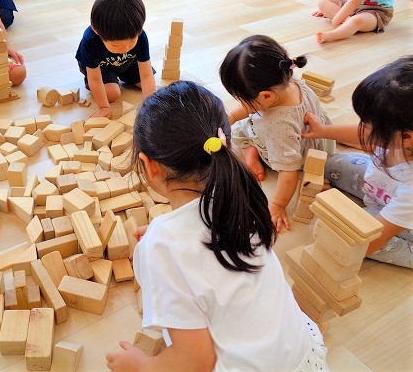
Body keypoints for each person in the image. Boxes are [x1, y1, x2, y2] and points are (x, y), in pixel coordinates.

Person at [105, 81, 329, 372]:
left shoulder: (161, 247)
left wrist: (141, 365)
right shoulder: (242, 194)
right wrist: (166, 238)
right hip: (301, 356)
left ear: (150, 166)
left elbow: (195, 362)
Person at [303, 56, 413, 269]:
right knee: (332, 163)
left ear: (406, 137)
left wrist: (343, 251)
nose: (362, 128)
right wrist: (324, 131)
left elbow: (372, 242)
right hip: (380, 190)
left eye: (368, 124)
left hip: (405, 223)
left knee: (347, 238)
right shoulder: (399, 134)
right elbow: (363, 134)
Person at [219, 35, 335, 232]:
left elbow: (289, 172)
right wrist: (229, 117)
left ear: (266, 96)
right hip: (318, 137)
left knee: (240, 131)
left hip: (296, 154)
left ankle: (252, 152)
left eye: (242, 99)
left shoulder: (279, 127)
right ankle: (252, 151)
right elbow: (251, 108)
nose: (241, 104)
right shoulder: (286, 80)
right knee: (240, 124)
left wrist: (278, 205)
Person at [75, 0, 156, 118]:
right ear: (96, 30)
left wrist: (150, 105)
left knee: (150, 87)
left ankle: (123, 75)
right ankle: (113, 79)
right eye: (116, 45)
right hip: (101, 67)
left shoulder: (140, 35)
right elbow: (95, 79)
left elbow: (146, 75)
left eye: (131, 41)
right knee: (113, 94)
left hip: (128, 62)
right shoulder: (91, 40)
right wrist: (104, 107)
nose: (125, 48)